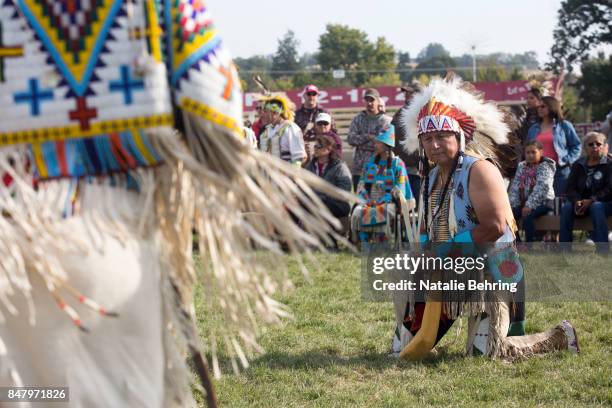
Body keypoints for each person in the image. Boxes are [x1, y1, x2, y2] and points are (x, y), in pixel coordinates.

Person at [0, 2, 346, 406]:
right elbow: (220, 122)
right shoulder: (157, 7)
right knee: (120, 391)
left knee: (23, 392)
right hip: (117, 234)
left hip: (11, 239)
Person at [392, 76, 578, 361]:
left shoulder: (478, 170)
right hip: (451, 271)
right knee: (402, 350)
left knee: (484, 355)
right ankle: (423, 333)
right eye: (427, 138)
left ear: (459, 137)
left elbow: (493, 228)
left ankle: (559, 337)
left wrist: (446, 251)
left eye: (442, 136)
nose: (435, 144)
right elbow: (432, 228)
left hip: (492, 271)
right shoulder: (430, 178)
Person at [351, 125, 415, 251]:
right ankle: (365, 243)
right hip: (369, 200)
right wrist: (367, 200)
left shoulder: (398, 164)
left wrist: (381, 201)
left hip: (390, 202)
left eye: (378, 142)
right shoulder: (370, 162)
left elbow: (399, 189)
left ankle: (382, 243)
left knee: (381, 211)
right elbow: (362, 184)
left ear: (386, 145)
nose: (375, 145)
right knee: (357, 212)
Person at [560, 132, 612, 253]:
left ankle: (603, 251)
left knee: (596, 207)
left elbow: (610, 189)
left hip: (605, 204)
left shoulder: (609, 164)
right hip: (582, 204)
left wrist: (592, 200)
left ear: (604, 146)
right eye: (591, 144)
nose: (595, 146)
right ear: (585, 148)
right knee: (567, 208)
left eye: (598, 144)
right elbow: (570, 188)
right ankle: (564, 251)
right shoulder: (578, 164)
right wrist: (576, 201)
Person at [527, 96, 581, 196]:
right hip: (538, 172)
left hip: (560, 171)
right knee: (538, 205)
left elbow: (576, 146)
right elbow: (528, 149)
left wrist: (567, 160)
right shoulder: (533, 128)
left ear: (552, 107)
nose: (540, 109)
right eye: (538, 107)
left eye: (543, 106)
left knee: (558, 203)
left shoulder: (564, 125)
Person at [305, 135, 352, 248]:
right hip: (315, 202)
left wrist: (323, 197)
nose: (315, 148)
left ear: (329, 149)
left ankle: (331, 243)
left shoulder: (339, 167)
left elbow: (344, 190)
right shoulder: (310, 166)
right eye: (314, 146)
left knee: (322, 204)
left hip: (338, 204)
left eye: (318, 146)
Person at [509, 140, 556, 243]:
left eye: (533, 152)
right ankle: (517, 243)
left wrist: (530, 205)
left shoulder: (545, 166)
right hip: (525, 203)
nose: (530, 155)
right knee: (509, 216)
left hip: (544, 202)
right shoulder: (522, 166)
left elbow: (543, 187)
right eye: (528, 153)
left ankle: (529, 244)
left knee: (527, 216)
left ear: (541, 152)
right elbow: (515, 187)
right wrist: (512, 205)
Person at [347, 88, 392, 191]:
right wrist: (369, 137)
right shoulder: (358, 119)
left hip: (380, 168)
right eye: (367, 100)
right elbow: (350, 139)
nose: (369, 103)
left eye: (372, 100)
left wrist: (363, 141)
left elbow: (385, 144)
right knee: (360, 199)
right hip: (360, 168)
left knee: (378, 198)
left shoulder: (386, 121)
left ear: (378, 101)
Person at [392, 84, 422, 206]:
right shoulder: (400, 113)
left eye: (410, 93)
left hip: (419, 169)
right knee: (405, 207)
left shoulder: (424, 112)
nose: (407, 95)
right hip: (402, 168)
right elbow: (392, 135)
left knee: (420, 207)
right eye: (406, 93)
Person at [259, 95, 307, 166]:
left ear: (275, 113)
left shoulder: (291, 128)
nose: (262, 114)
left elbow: (300, 157)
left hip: (285, 175)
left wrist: (290, 173)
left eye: (266, 111)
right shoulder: (266, 131)